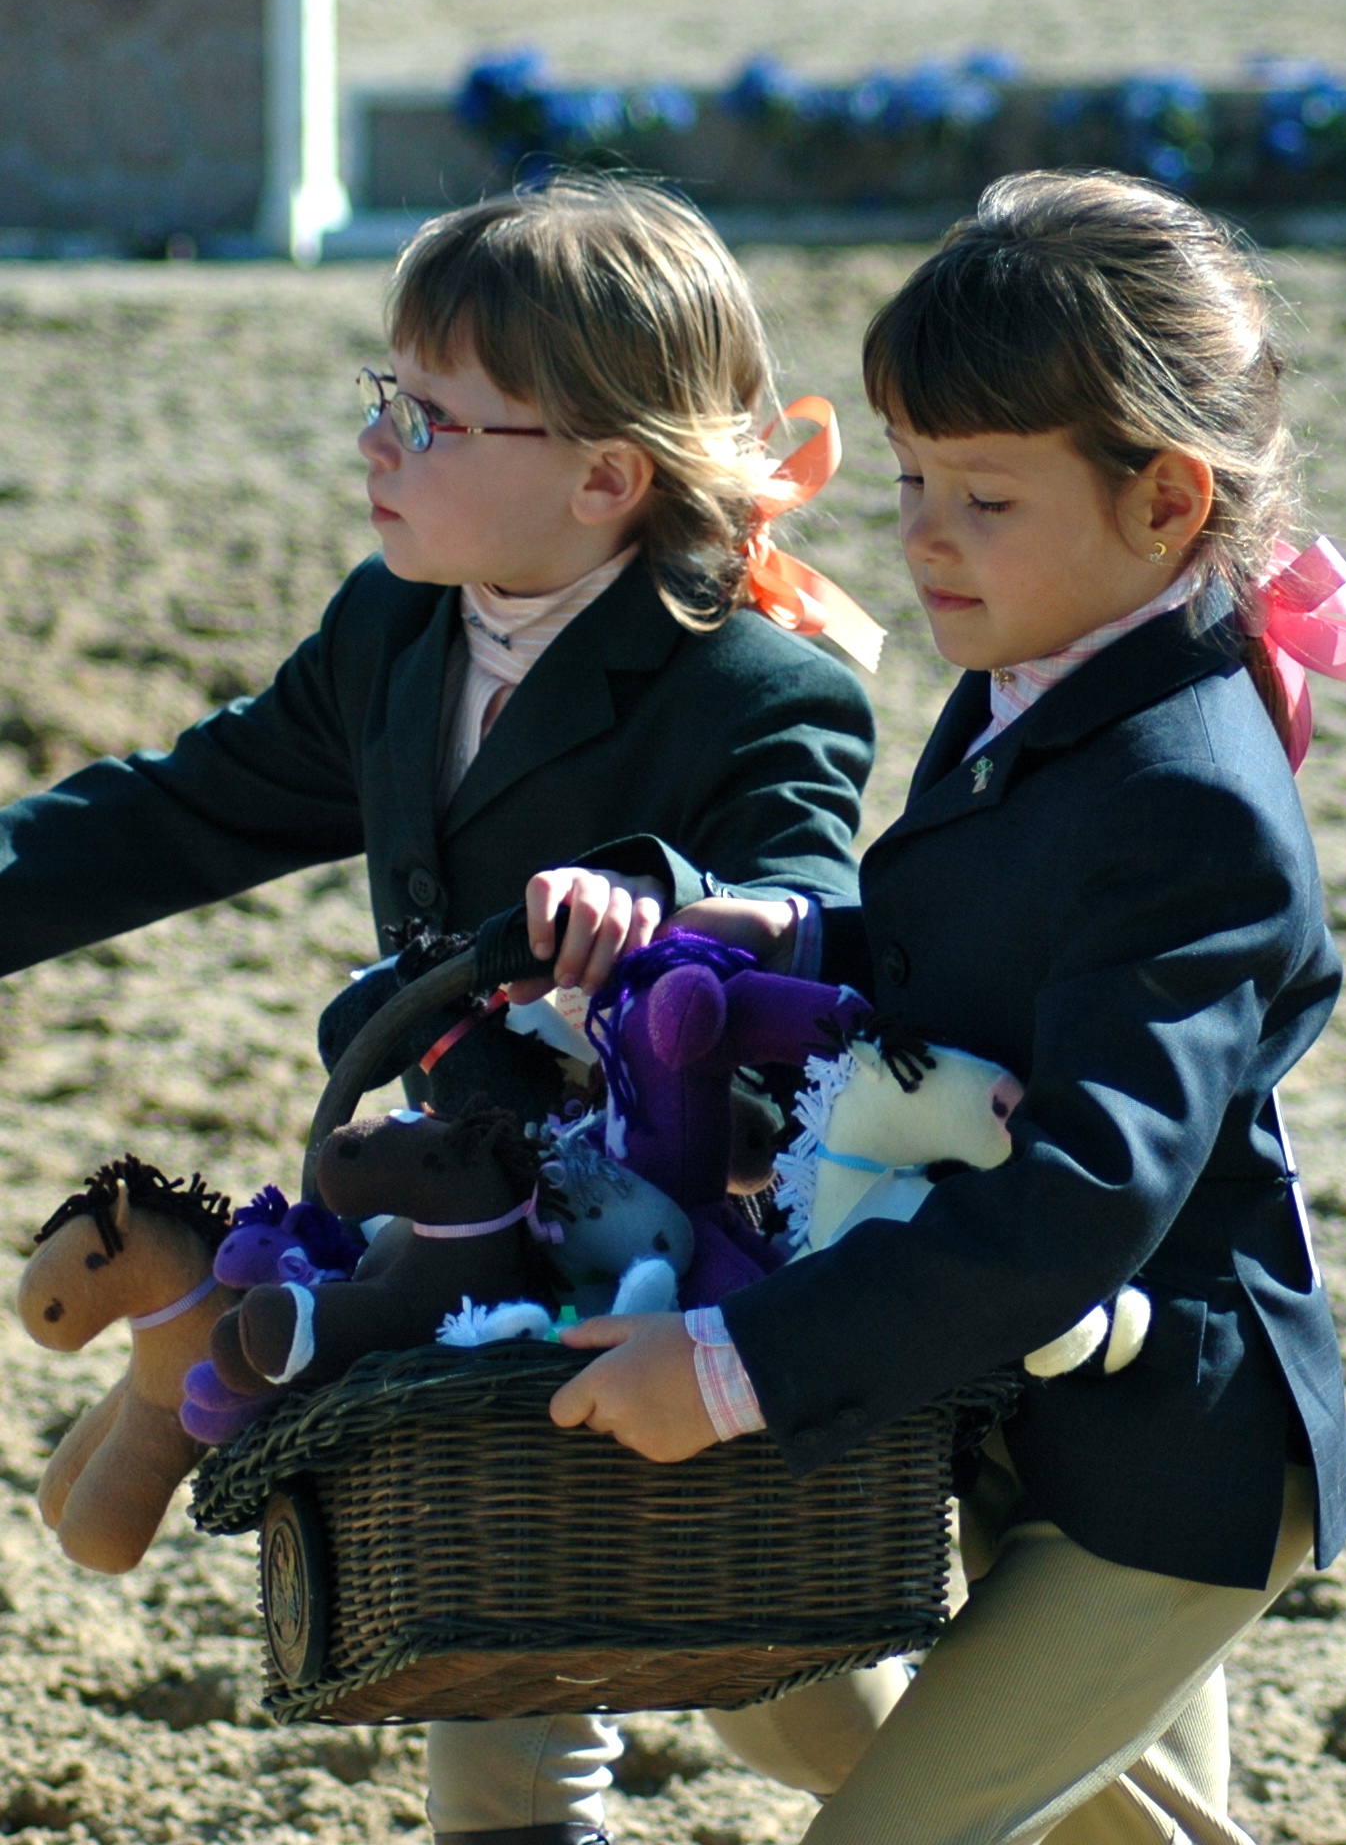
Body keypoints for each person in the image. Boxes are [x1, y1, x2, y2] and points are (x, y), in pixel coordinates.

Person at [0, 173, 878, 1845]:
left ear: (604, 478)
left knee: (808, 1705)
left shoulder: (762, 683)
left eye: (432, 416)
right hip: (450, 1214)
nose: (378, 443)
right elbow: (184, 807)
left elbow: (804, 897)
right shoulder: (393, 628)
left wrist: (659, 898)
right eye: (382, 396)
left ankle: (1072, 1793)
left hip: (674, 1238)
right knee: (493, 1660)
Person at [544, 171, 1346, 1845]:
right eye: (916, 478)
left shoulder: (1187, 796)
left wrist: (729, 1367)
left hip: (1170, 1458)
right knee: (882, 1748)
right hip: (1034, 1417)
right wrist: (782, 931)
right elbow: (970, 962)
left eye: (983, 498)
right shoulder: (1045, 676)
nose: (919, 534)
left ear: (1165, 502)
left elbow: (1082, 1193)